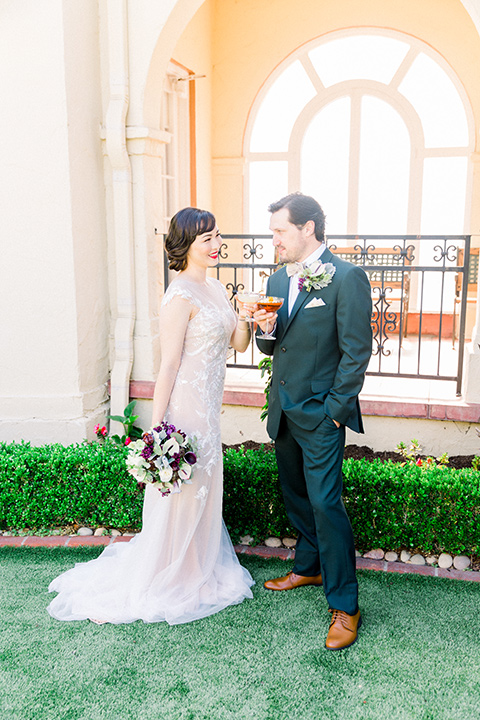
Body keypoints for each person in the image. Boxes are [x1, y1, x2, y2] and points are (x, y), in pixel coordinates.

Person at [47, 207, 254, 625]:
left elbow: (240, 343)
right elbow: (168, 366)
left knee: (206, 485)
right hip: (186, 411)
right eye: (206, 240)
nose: (216, 245)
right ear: (186, 246)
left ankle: (198, 565)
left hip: (211, 411)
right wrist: (158, 430)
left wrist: (249, 316)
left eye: (217, 236)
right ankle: (171, 572)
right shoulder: (179, 296)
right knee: (183, 492)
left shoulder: (215, 288)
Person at [254, 193, 372, 650]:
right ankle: (309, 566)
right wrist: (264, 328)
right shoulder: (277, 280)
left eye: (281, 231)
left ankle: (345, 604)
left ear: (308, 228)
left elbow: (356, 351)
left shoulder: (347, 278)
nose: (275, 240)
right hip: (283, 409)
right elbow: (273, 346)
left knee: (326, 504)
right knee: (296, 493)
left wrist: (333, 412)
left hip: (321, 415)